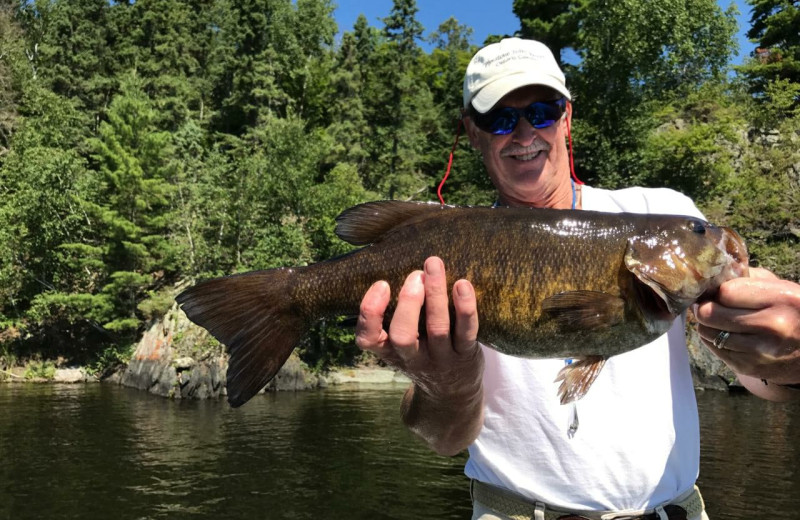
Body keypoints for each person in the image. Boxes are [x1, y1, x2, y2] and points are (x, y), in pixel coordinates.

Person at [354, 38, 800, 520]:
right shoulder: (453, 248)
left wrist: (789, 360)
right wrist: (444, 384)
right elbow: (443, 440)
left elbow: (761, 381)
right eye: (500, 119)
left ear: (567, 116)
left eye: (542, 111)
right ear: (473, 132)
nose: (524, 133)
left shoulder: (661, 214)